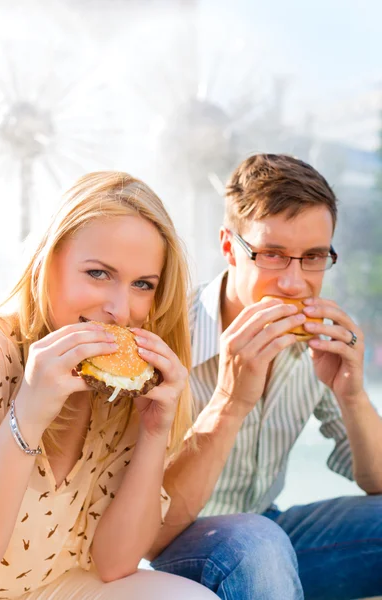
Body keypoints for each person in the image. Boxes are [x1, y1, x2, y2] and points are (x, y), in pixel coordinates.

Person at [147, 154, 382, 600]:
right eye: (272, 255)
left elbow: (377, 483)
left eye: (313, 258)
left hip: (266, 537)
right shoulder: (163, 338)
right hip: (166, 557)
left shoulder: (317, 344)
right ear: (228, 247)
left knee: (261, 537)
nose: (295, 284)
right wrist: (231, 400)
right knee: (257, 541)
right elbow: (148, 535)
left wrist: (353, 396)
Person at [0, 172, 218, 599]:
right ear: (46, 261)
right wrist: (29, 413)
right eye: (98, 273)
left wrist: (154, 431)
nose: (119, 309)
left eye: (142, 284)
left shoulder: (123, 389)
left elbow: (116, 564)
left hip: (53, 588)